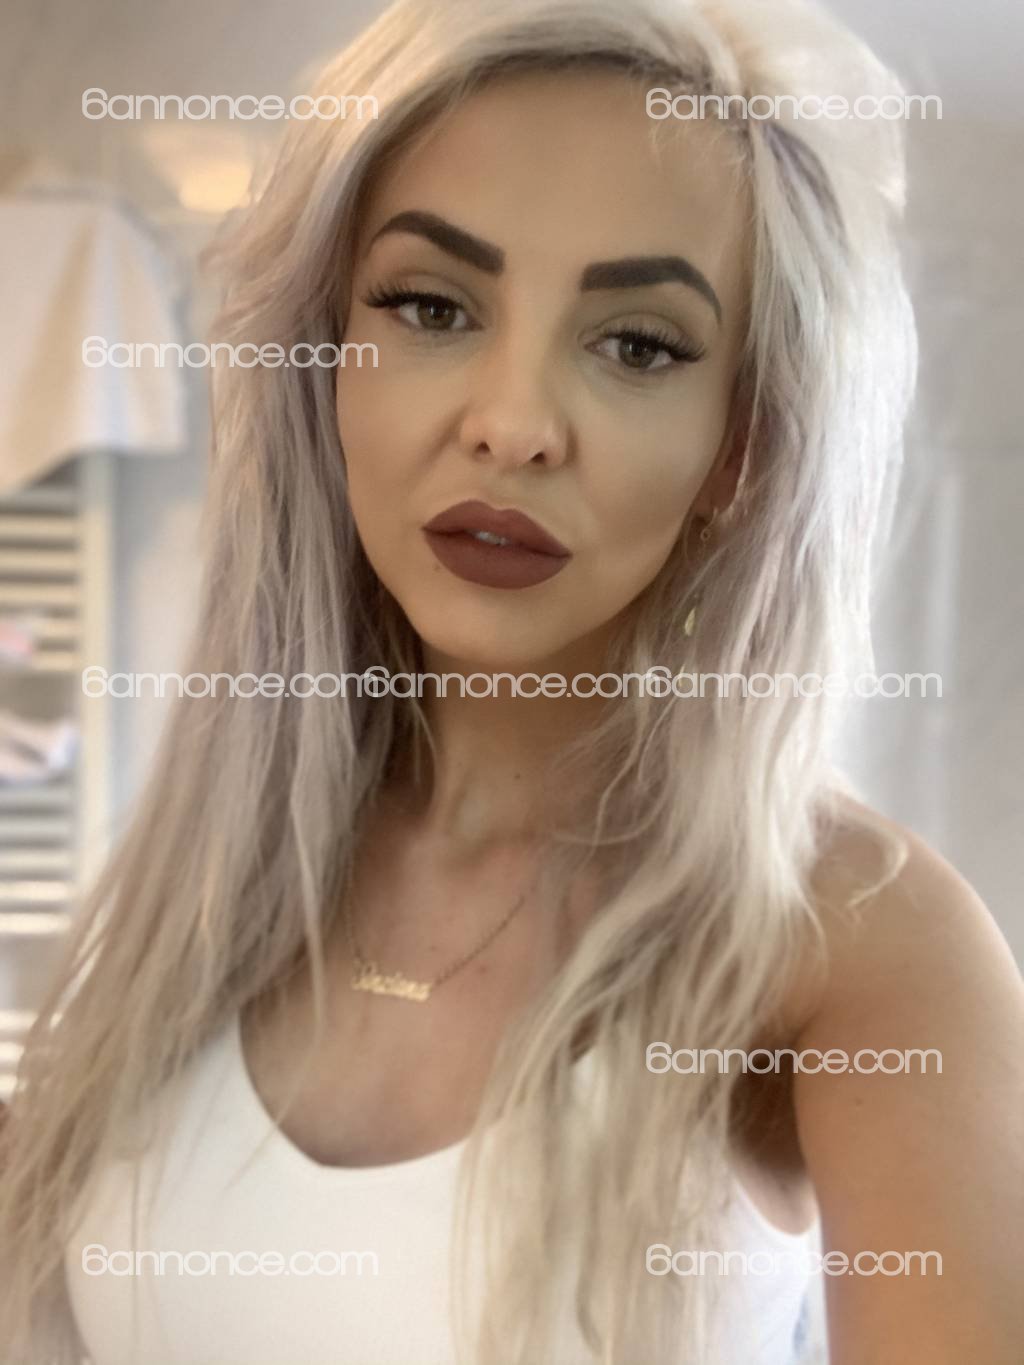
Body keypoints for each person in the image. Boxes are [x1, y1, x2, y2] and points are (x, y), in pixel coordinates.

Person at [2, 0, 1022, 1361]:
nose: (514, 425)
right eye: (432, 306)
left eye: (639, 344)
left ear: (740, 448)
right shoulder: (197, 889)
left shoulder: (855, 941)